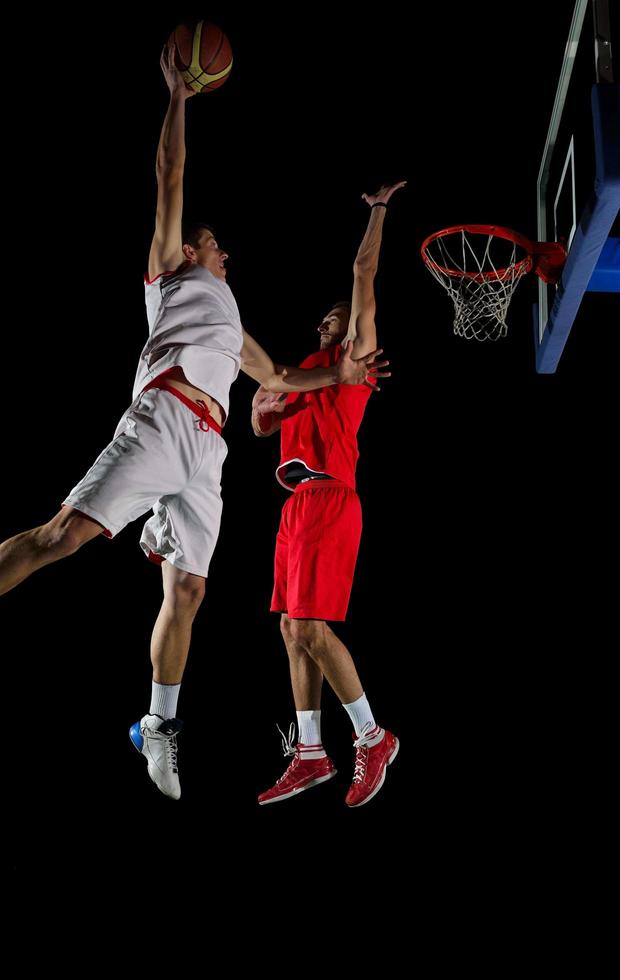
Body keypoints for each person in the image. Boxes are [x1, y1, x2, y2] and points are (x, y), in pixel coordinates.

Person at [0, 42, 387, 801]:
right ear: (185, 251)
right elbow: (169, 175)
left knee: (189, 596)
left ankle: (158, 727)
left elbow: (276, 376)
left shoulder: (230, 319)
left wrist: (333, 374)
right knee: (61, 538)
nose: (224, 251)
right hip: (164, 418)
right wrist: (179, 97)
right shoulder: (170, 275)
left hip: (208, 454)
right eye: (215, 244)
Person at [252, 181, 404, 808]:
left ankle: (373, 737)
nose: (326, 321)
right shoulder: (304, 377)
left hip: (332, 498)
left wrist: (377, 211)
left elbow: (363, 271)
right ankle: (311, 751)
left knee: (312, 626)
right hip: (294, 506)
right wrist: (267, 404)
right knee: (291, 628)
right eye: (324, 318)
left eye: (335, 316)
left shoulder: (353, 358)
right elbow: (260, 420)